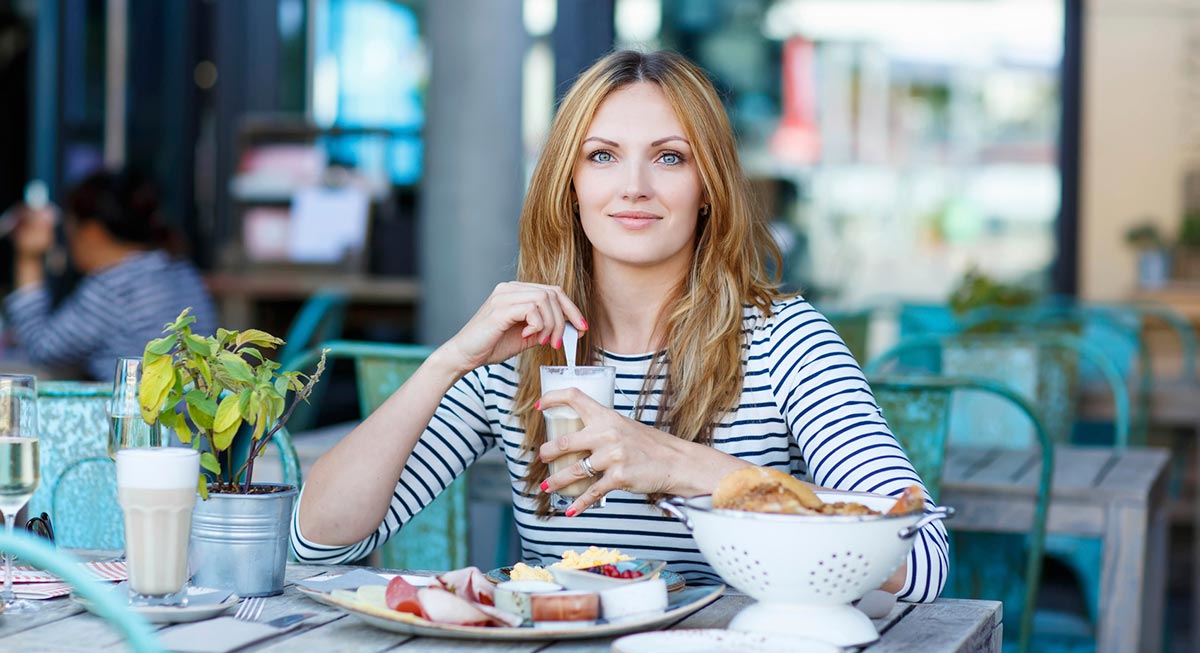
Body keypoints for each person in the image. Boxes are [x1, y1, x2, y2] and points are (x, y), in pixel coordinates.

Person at [294, 50, 948, 602]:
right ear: (569, 184)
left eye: (669, 158)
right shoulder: (524, 349)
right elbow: (321, 537)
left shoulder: (785, 342)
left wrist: (686, 466)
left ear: (708, 188)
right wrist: (446, 363)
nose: (633, 186)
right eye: (602, 156)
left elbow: (919, 560)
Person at [3, 169, 215, 380]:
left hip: (141, 412)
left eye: (70, 228)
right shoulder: (183, 271)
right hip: (189, 411)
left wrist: (28, 258)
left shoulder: (114, 287)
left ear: (92, 233)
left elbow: (42, 350)